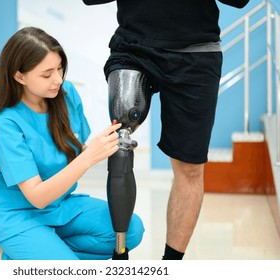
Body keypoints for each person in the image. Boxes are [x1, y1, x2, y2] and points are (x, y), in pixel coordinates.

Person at [82, 0, 250, 260]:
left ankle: (171, 266)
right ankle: (119, 253)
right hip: (135, 46)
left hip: (197, 53)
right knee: (122, 135)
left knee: (189, 167)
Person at [0, 26, 144, 260]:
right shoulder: (7, 123)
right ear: (19, 76)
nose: (58, 79)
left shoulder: (66, 93)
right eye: (47, 74)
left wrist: (108, 142)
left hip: (60, 206)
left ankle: (44, 249)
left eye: (60, 68)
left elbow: (78, 149)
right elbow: (37, 196)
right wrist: (90, 156)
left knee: (131, 231)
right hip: (19, 214)